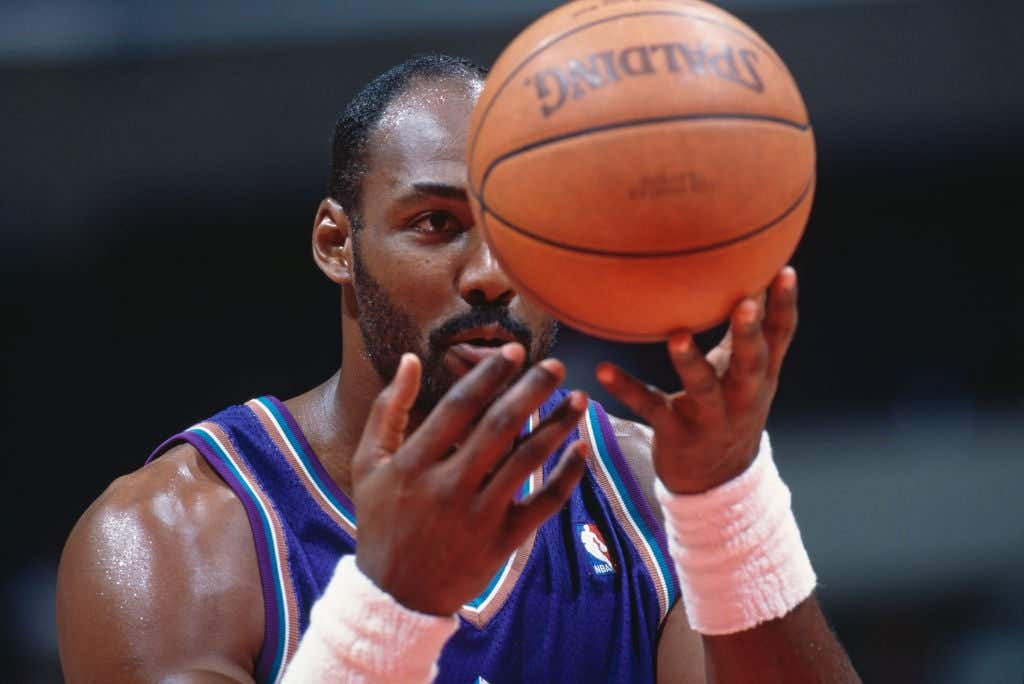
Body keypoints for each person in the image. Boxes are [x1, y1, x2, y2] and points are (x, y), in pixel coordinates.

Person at [56, 53, 860, 683]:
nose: (490, 273)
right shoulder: (171, 539)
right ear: (338, 244)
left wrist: (734, 501)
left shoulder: (645, 492)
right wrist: (392, 607)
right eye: (436, 223)